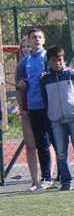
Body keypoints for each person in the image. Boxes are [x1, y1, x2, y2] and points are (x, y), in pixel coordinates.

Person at [39, 46, 74, 190]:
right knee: (61, 152)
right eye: (54, 61)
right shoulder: (45, 79)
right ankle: (66, 182)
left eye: (60, 60)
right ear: (48, 61)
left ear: (63, 60)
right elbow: (45, 99)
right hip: (56, 119)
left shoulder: (72, 74)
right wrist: (53, 112)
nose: (57, 63)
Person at [15, 28, 54, 189]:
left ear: (44, 40)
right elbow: (19, 86)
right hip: (34, 108)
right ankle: (42, 179)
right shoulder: (24, 63)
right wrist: (21, 85)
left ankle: (60, 177)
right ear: (28, 42)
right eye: (33, 37)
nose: (37, 40)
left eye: (39, 37)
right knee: (39, 144)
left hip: (51, 107)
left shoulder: (50, 57)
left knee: (57, 143)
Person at [15, 37, 43, 190]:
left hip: (41, 108)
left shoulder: (42, 62)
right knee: (30, 146)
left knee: (45, 144)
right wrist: (21, 109)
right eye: (23, 46)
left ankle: (47, 177)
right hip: (27, 110)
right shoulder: (21, 66)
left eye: (28, 45)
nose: (26, 48)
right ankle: (34, 180)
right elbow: (19, 90)